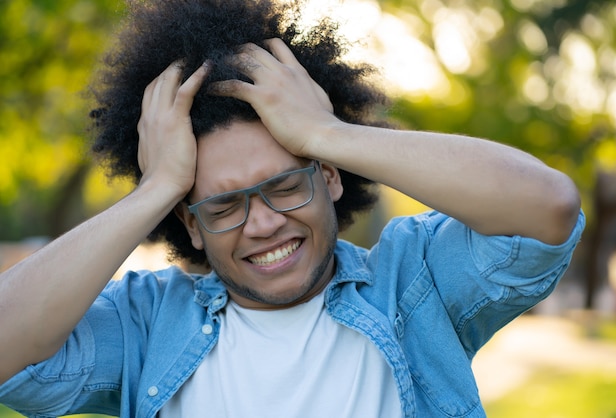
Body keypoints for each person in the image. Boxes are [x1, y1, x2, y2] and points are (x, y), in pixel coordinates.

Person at [0, 0, 584, 417]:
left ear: (329, 176)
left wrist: (327, 134)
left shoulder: (414, 280)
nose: (263, 222)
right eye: (223, 206)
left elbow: (547, 208)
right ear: (191, 226)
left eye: (283, 186)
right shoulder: (146, 323)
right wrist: (157, 188)